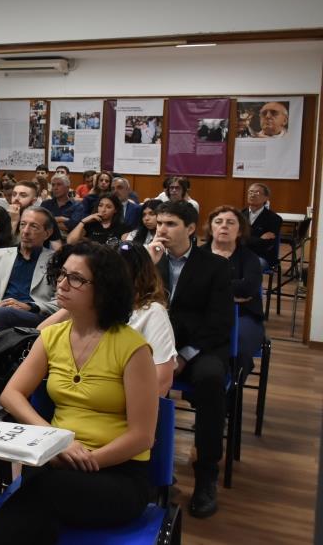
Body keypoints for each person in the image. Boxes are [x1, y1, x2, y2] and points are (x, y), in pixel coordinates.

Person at [0, 242, 158, 545]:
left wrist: (85, 460)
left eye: (77, 279)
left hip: (117, 473)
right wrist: (55, 440)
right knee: (35, 505)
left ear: (104, 290)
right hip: (57, 460)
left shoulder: (133, 348)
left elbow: (142, 437)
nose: (62, 284)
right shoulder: (52, 336)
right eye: (62, 274)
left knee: (35, 496)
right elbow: (11, 394)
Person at [148, 200, 231, 518]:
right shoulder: (149, 260)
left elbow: (219, 323)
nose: (162, 230)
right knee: (131, 376)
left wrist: (182, 356)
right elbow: (130, 304)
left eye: (170, 224)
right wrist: (147, 264)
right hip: (155, 346)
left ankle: (206, 473)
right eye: (159, 223)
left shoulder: (215, 266)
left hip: (200, 347)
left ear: (191, 229)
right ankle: (151, 467)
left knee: (210, 380)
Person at [40, 242, 176, 395]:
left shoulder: (152, 312)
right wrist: (70, 305)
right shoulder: (90, 309)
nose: (107, 278)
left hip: (118, 402)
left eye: (77, 278)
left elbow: (162, 381)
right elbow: (38, 338)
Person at [205, 205, 264, 382]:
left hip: (244, 315)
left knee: (238, 348)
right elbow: (190, 289)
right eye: (218, 222)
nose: (224, 226)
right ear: (211, 229)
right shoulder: (198, 255)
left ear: (239, 231)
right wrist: (231, 291)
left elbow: (248, 288)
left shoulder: (249, 258)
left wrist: (210, 289)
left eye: (230, 222)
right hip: (204, 315)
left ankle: (230, 391)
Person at [0, 207, 58, 331]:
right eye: (23, 224)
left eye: (34, 226)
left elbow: (62, 302)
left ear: (47, 233)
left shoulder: (56, 261)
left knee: (4, 313)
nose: (25, 231)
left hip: (34, 316)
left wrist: (30, 306)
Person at [242, 182, 282, 270]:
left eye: (257, 192)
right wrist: (259, 239)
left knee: (250, 266)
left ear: (266, 198)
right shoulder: (239, 215)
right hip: (240, 253)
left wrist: (244, 238)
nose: (252, 195)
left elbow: (266, 244)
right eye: (250, 192)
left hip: (262, 256)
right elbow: (234, 239)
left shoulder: (274, 218)